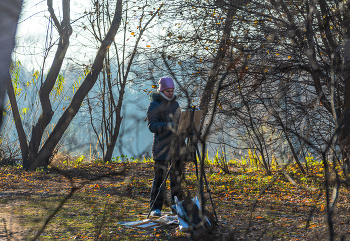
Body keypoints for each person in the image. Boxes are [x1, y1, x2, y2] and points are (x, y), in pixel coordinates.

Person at [147, 76, 182, 217]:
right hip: (161, 147)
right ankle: (156, 207)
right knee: (159, 178)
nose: (170, 93)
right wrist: (168, 125)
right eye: (168, 91)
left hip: (176, 146)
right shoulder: (154, 105)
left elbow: (180, 122)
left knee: (176, 177)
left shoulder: (175, 104)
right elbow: (152, 126)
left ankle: (176, 205)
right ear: (161, 90)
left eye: (172, 90)